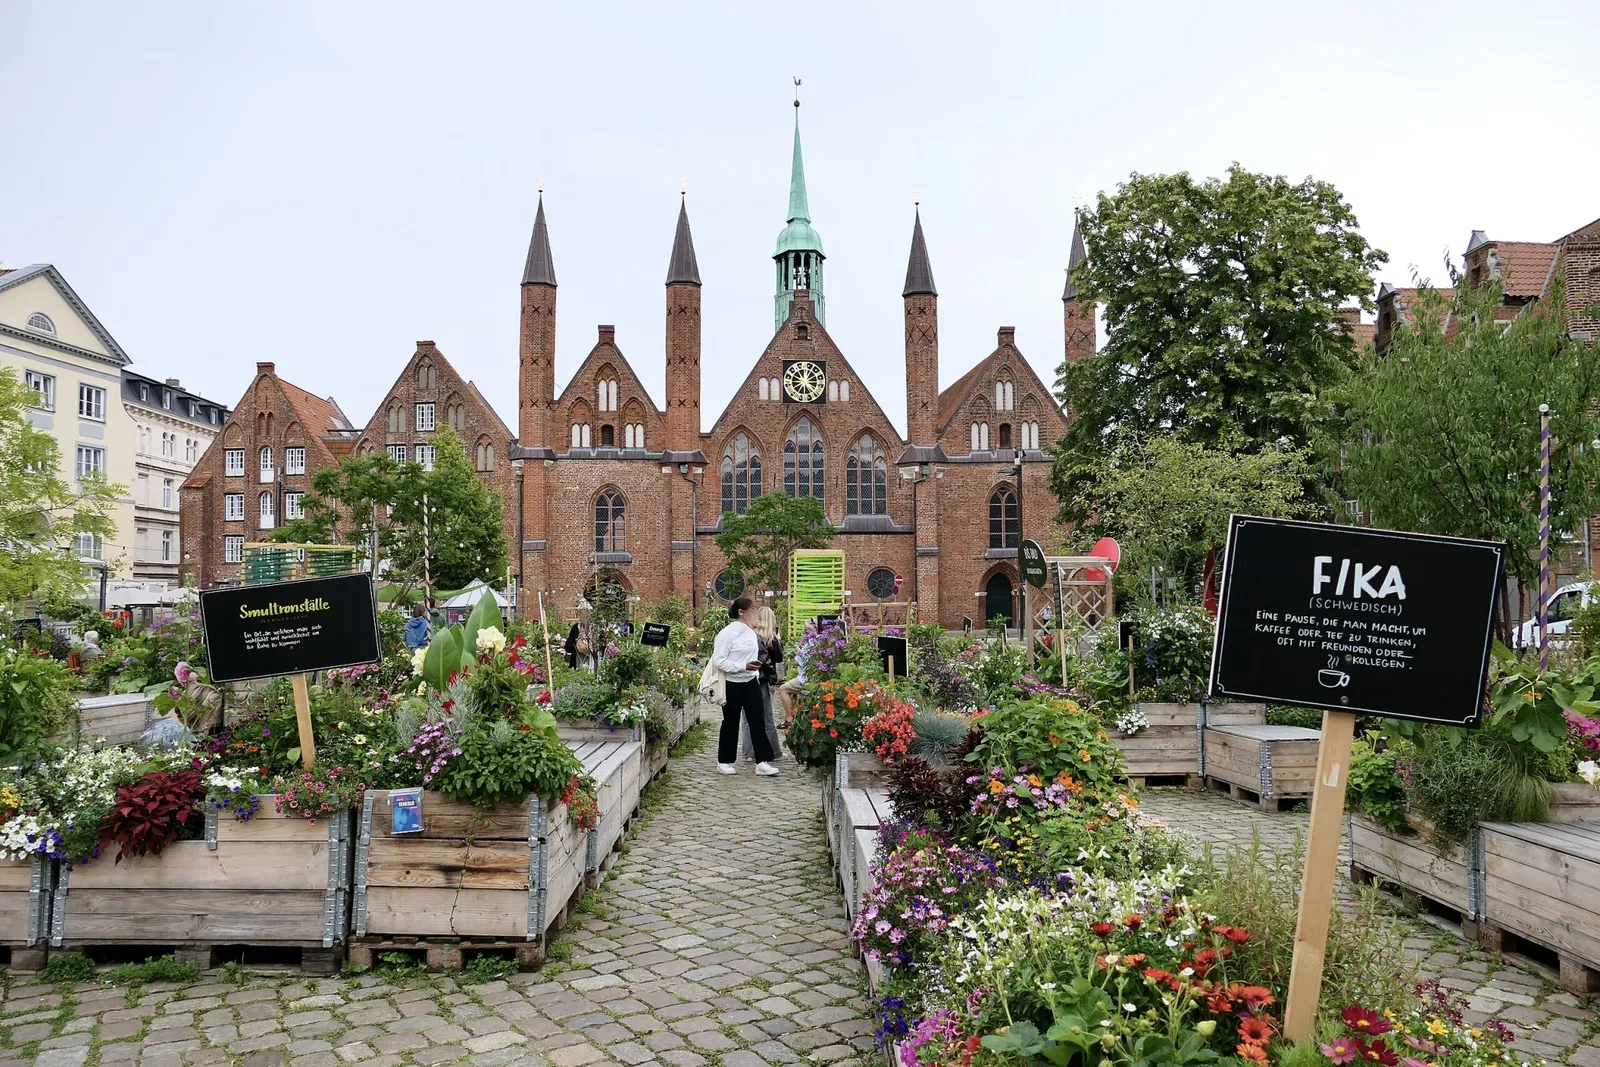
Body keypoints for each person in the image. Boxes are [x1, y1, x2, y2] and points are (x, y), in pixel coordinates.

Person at [711, 598, 779, 776]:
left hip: (750, 682)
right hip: (732, 683)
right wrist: (742, 666)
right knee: (730, 722)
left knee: (758, 720)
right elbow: (719, 660)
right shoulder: (727, 633)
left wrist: (754, 672)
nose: (757, 615)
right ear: (742, 612)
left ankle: (762, 761)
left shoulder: (751, 633)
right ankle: (724, 761)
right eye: (753, 611)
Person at [741, 605, 785, 762]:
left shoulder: (750, 636)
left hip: (747, 678)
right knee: (767, 716)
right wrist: (773, 680)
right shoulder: (771, 639)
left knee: (747, 717)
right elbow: (777, 659)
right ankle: (773, 750)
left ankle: (749, 752)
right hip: (763, 680)